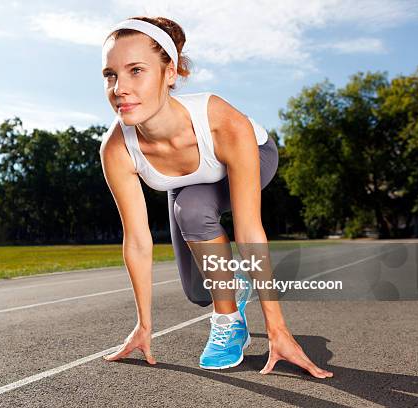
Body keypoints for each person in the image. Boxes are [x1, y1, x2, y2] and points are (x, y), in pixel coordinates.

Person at [98, 16, 333, 378]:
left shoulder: (223, 121)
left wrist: (277, 328)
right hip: (189, 179)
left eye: (136, 71)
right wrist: (144, 325)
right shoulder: (116, 149)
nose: (120, 88)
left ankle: (228, 322)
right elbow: (138, 241)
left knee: (190, 209)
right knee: (197, 290)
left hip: (250, 155)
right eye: (111, 75)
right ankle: (229, 286)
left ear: (170, 73)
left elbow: (249, 231)